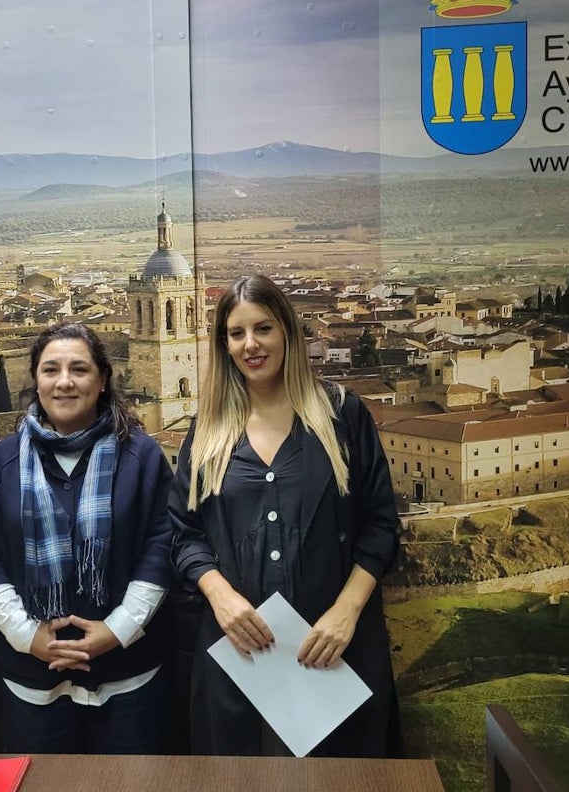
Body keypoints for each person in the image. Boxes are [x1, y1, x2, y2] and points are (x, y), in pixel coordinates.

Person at [170, 273, 402, 757]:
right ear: (224, 344)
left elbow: (381, 525)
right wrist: (221, 597)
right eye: (237, 334)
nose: (250, 344)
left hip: (333, 651)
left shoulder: (342, 417)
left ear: (287, 333)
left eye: (263, 329)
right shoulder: (208, 430)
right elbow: (183, 532)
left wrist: (346, 613)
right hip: (239, 657)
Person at [0, 322, 174, 754]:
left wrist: (116, 630)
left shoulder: (143, 456)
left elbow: (162, 545)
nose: (64, 382)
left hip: (127, 674)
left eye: (78, 369)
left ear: (102, 380)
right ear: (35, 381)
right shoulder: (4, 461)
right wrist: (27, 636)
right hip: (32, 679)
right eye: (50, 370)